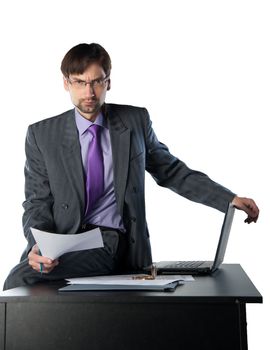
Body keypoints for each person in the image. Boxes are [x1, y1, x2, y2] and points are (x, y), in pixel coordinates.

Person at [3, 43, 259, 290]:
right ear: (66, 83)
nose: (89, 92)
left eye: (97, 81)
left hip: (114, 241)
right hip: (65, 244)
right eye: (80, 82)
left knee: (19, 278)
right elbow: (36, 202)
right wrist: (38, 246)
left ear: (109, 82)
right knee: (21, 278)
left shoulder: (134, 121)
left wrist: (228, 198)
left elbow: (170, 171)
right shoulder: (42, 134)